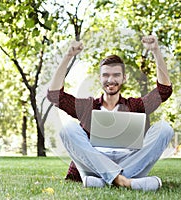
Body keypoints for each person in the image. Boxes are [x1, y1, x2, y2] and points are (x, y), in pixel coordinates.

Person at [47, 35, 174, 191]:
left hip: (129, 162)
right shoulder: (88, 106)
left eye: (116, 75)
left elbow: (164, 90)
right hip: (94, 162)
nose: (110, 80)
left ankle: (104, 181)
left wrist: (156, 51)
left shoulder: (136, 105)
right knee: (68, 129)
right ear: (100, 78)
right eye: (106, 75)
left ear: (124, 78)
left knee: (165, 129)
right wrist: (68, 56)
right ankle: (124, 181)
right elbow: (54, 95)